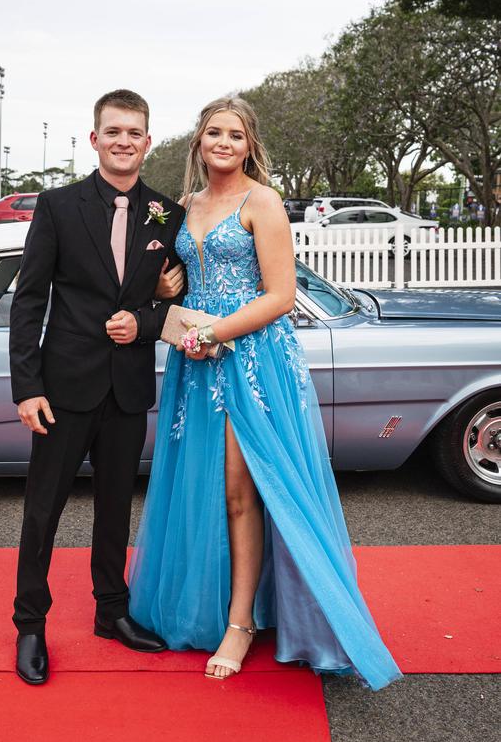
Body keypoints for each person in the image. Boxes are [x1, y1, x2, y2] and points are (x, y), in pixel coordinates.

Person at [128, 97, 402, 689]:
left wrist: (211, 331)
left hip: (250, 359)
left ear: (249, 144)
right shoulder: (185, 206)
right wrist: (164, 286)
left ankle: (241, 621)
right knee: (196, 486)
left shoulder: (264, 201)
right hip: (195, 362)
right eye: (212, 133)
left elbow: (279, 296)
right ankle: (212, 607)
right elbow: (171, 282)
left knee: (238, 492)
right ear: (198, 141)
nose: (222, 143)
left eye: (234, 134)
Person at [9, 89, 185, 685]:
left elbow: (179, 303)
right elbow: (29, 300)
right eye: (113, 131)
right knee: (43, 512)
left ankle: (112, 612)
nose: (124, 141)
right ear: (94, 139)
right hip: (61, 388)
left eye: (134, 132)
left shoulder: (167, 213)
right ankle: (30, 625)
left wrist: (147, 322)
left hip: (127, 387)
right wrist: (26, 387)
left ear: (148, 141)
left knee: (115, 508)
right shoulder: (57, 206)